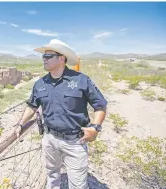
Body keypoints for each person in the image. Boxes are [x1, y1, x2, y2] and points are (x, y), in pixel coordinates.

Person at [14, 39, 107, 189]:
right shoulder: (40, 84)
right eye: (43, 56)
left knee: (78, 185)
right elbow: (32, 106)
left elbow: (100, 105)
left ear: (61, 58)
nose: (43, 59)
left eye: (48, 56)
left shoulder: (81, 80)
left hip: (75, 142)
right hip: (49, 139)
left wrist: (96, 128)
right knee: (52, 176)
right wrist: (20, 124)